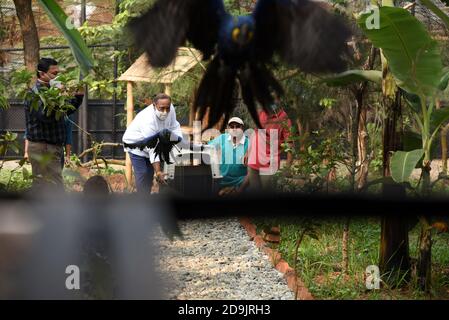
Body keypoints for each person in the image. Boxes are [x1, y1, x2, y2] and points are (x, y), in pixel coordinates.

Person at [24, 57, 84, 189]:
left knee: (54, 185)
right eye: (54, 73)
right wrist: (58, 93)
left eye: (58, 73)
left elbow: (65, 110)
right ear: (42, 74)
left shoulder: (53, 91)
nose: (58, 76)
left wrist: (79, 96)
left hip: (54, 147)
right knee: (44, 185)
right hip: (41, 147)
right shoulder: (33, 95)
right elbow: (45, 117)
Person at [122, 93, 183, 193]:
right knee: (145, 174)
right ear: (154, 105)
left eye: (167, 108)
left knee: (163, 173)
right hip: (136, 145)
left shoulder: (170, 108)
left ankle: (162, 200)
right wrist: (158, 171)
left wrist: (180, 143)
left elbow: (174, 126)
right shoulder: (147, 119)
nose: (165, 112)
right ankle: (142, 202)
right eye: (161, 108)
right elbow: (153, 148)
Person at [246, 98, 293, 190]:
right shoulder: (261, 113)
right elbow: (255, 133)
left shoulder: (284, 119)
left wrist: (288, 166)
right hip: (253, 162)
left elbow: (290, 143)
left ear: (279, 99)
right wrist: (247, 152)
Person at [208, 117, 249, 195]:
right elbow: (207, 147)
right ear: (228, 128)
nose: (234, 129)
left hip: (240, 184)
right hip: (221, 182)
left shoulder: (249, 144)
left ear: (242, 128)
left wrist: (238, 190)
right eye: (232, 127)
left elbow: (252, 172)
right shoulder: (222, 138)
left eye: (237, 126)